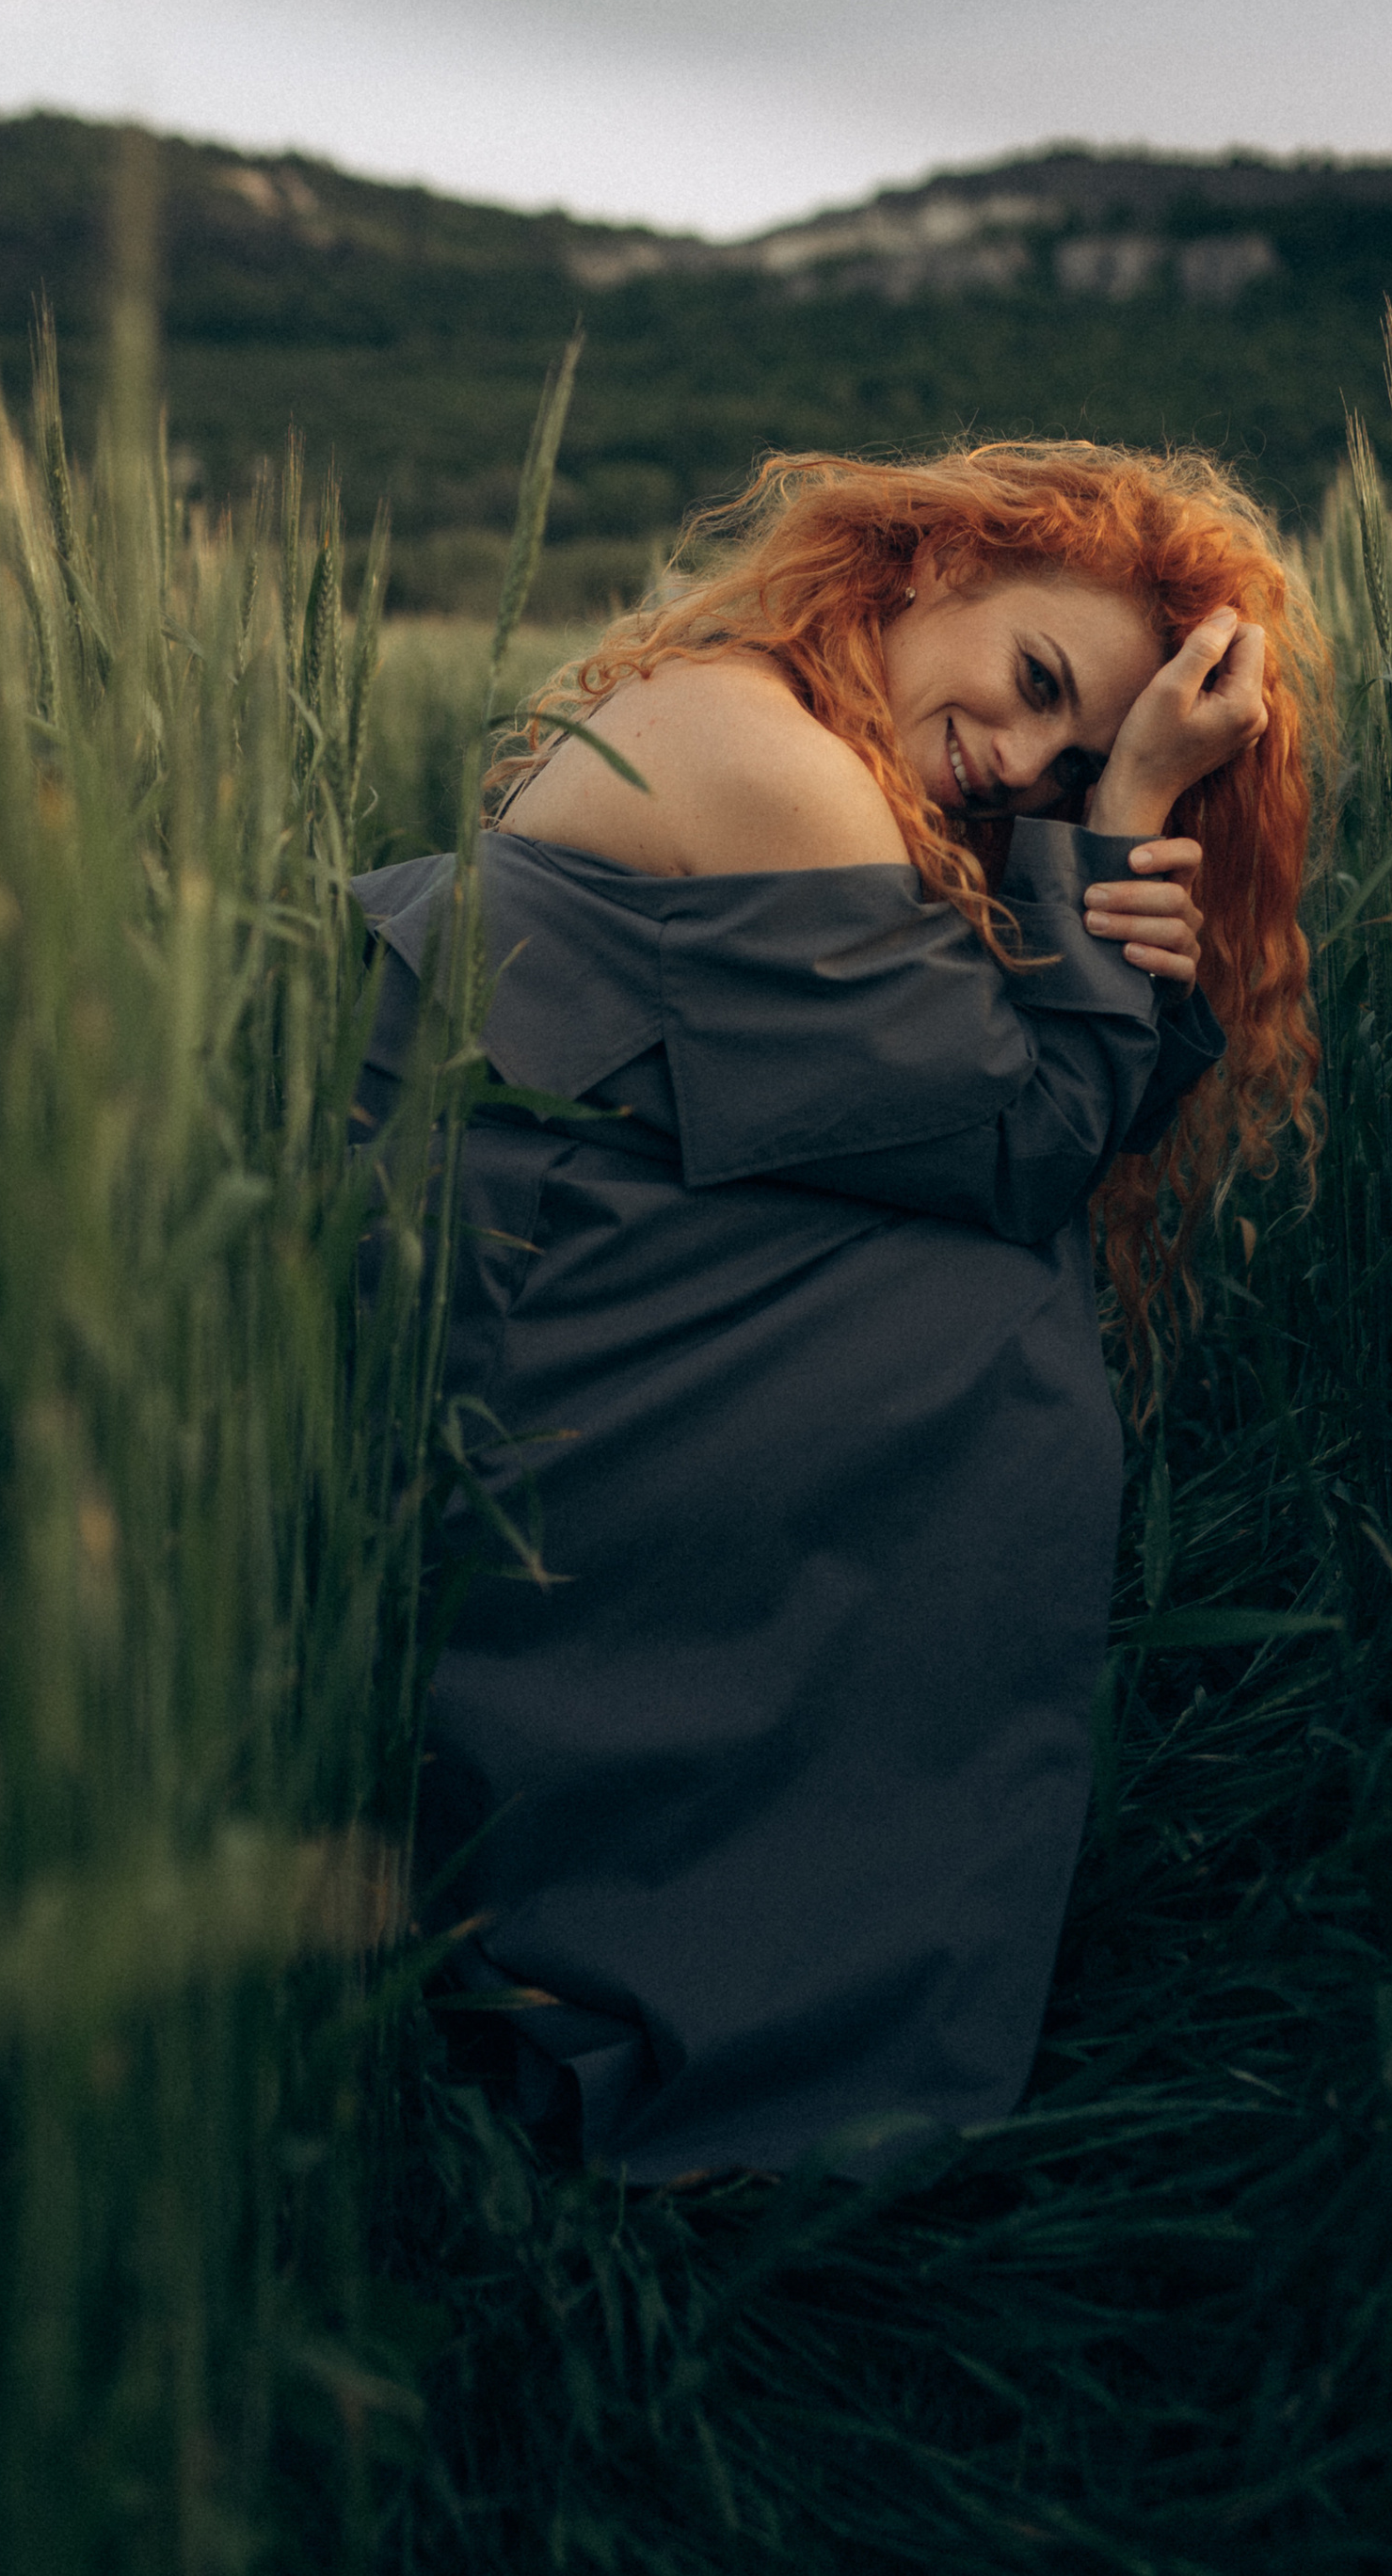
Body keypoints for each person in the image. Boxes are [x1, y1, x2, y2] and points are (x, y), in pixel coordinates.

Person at [351, 440, 1325, 2179]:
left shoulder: (826, 756)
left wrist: (1107, 877)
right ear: (934, 561)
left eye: (1074, 758)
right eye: (1036, 685)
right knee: (985, 1341)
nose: (1020, 761)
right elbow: (1014, 1144)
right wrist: (1121, 827)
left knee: (986, 1326)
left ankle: (774, 1978)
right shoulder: (768, 758)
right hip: (516, 1289)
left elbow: (996, 1128)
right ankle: (741, 2006)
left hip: (571, 1253)